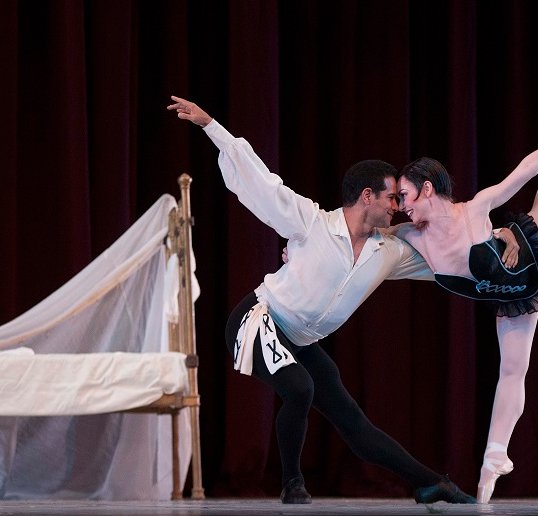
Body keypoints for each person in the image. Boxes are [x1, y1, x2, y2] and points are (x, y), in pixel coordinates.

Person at [166, 96, 520, 504]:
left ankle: (429, 482)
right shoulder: (311, 222)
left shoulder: (389, 252)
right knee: (299, 387)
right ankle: (292, 483)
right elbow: (259, 183)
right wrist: (212, 125)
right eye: (391, 197)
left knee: (353, 421)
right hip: (257, 317)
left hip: (298, 339)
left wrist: (503, 238)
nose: (397, 207)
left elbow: (452, 256)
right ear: (366, 196)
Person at [387, 28, 538, 503]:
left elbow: (525, 170)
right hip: (510, 296)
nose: (401, 206)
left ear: (428, 188)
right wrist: (299, 248)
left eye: (404, 195)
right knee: (513, 370)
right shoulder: (411, 235)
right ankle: (494, 462)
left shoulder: (474, 208)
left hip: (534, 245)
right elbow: (360, 233)